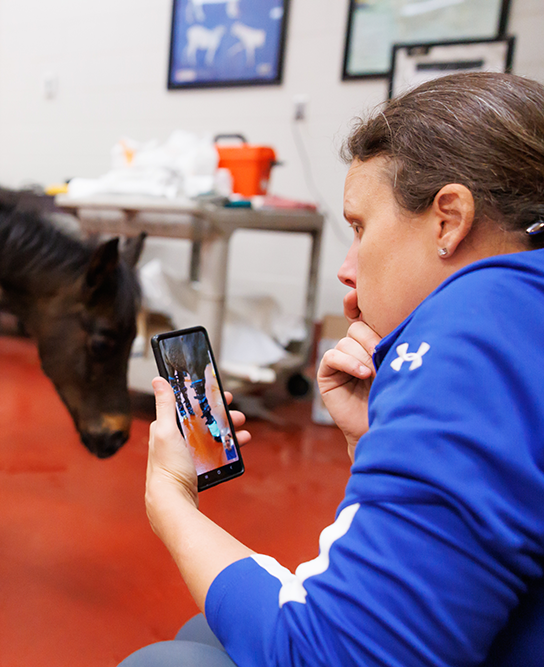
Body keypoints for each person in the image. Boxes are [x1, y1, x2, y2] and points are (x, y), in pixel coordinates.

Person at [121, 71, 544, 666]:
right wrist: (376, 438)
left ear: (448, 219)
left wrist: (169, 499)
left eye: (361, 227)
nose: (347, 270)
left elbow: (330, 654)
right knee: (201, 631)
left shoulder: (478, 322)